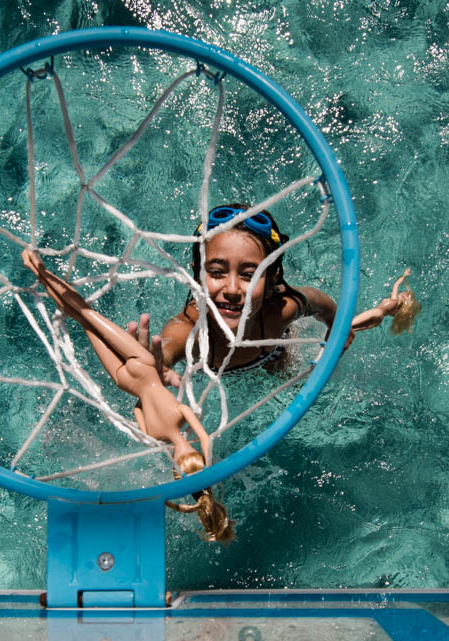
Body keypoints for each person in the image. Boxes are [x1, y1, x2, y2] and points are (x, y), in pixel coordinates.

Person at [21, 249, 234, 543]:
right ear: (174, 467)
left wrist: (208, 473)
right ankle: (40, 277)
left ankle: (41, 271)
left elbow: (207, 438)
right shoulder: (156, 436)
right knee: (82, 321)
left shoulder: (183, 416)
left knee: (87, 313)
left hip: (145, 367)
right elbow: (138, 409)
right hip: (126, 381)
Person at [131, 204, 350, 383]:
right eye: (217, 272)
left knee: (286, 379)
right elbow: (169, 345)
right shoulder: (192, 331)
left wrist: (337, 325)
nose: (232, 290)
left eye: (249, 275)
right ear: (197, 276)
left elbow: (317, 300)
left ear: (270, 282)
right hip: (213, 369)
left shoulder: (279, 314)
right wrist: (155, 362)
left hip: (271, 353)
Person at [351, 269, 421, 334]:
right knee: (352, 329)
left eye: (405, 296)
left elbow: (396, 284)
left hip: (377, 312)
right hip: (379, 319)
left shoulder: (394, 300)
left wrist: (404, 274)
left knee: (350, 324)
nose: (403, 294)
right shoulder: (395, 310)